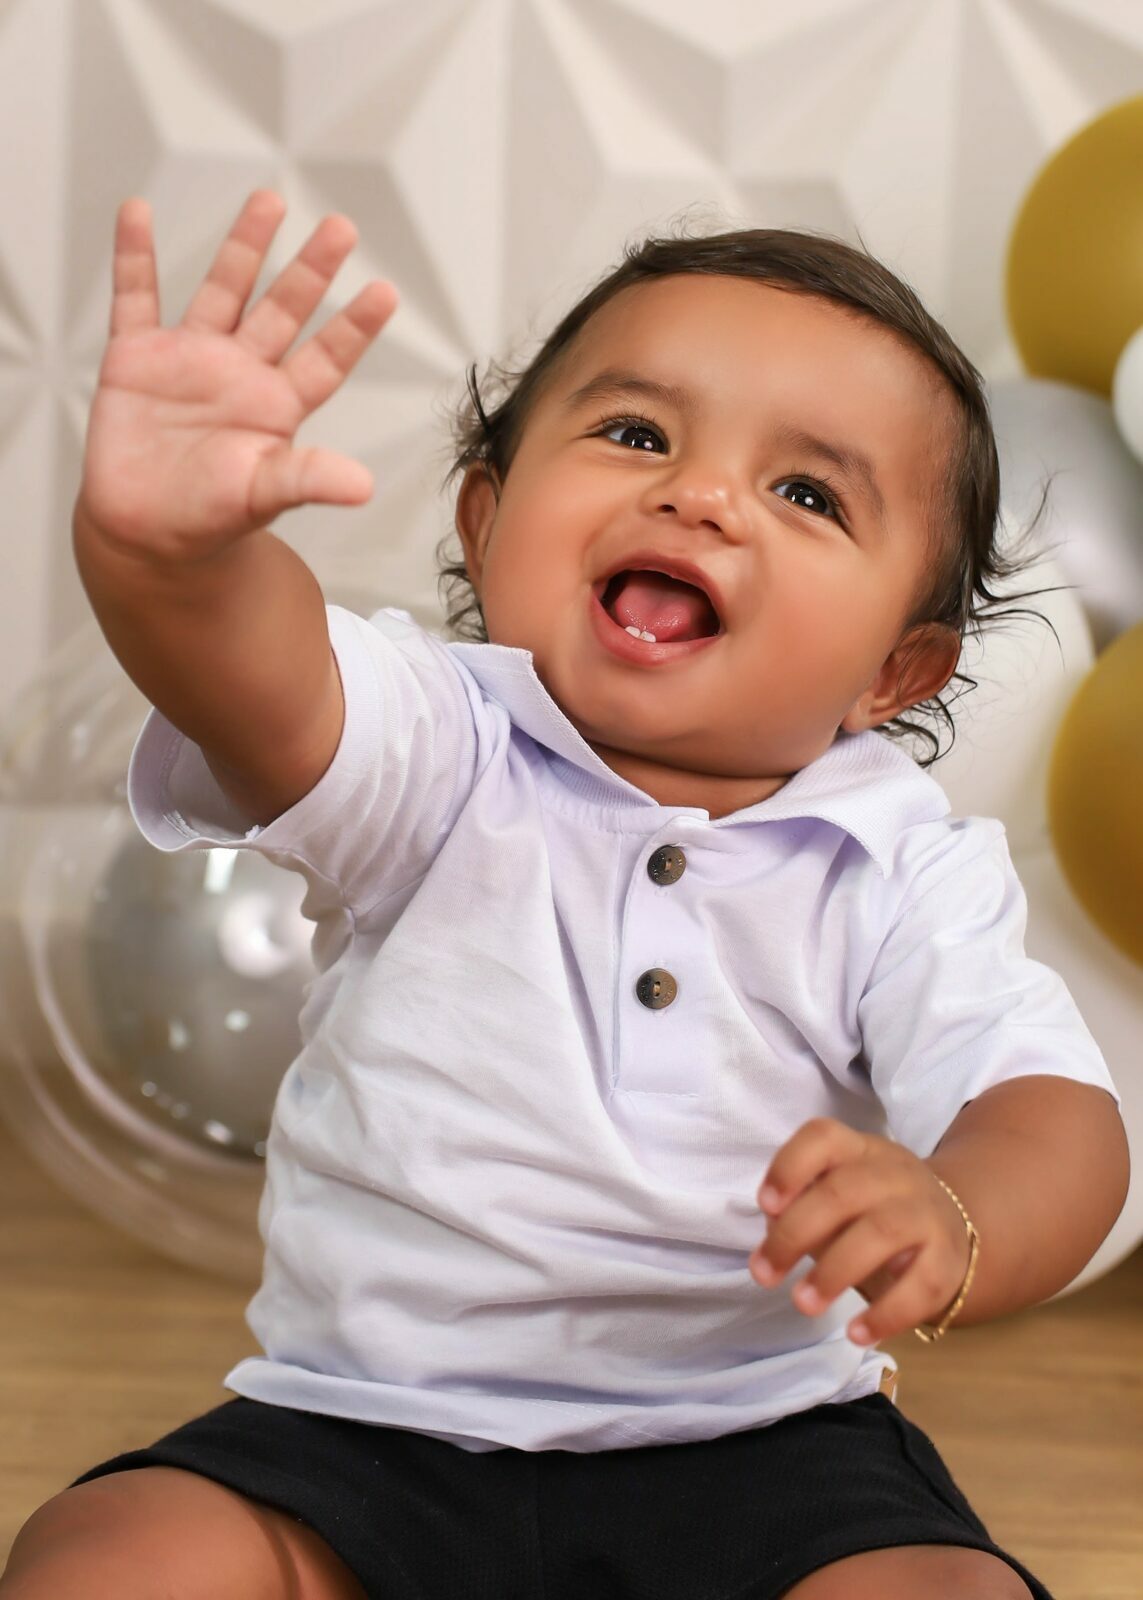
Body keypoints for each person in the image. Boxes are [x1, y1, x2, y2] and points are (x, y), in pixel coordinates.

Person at [1, 190, 1128, 1600]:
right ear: (487, 524)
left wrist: (959, 1214)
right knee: (114, 1558)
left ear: (894, 674)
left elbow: (1052, 1114)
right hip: (372, 1423)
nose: (700, 495)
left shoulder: (897, 864)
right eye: (637, 433)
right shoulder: (444, 746)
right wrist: (167, 559)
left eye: (807, 494)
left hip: (764, 1441)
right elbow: (263, 679)